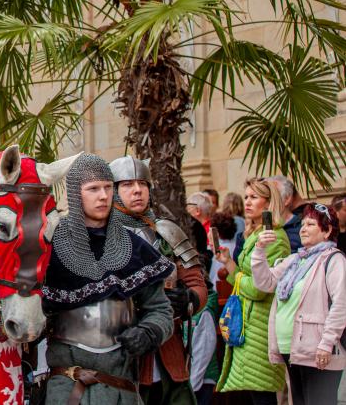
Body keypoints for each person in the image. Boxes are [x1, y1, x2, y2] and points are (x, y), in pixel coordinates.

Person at [43, 154, 174, 405]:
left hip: (118, 387)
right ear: (75, 193)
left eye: (107, 187)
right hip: (65, 388)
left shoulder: (134, 247)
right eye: (93, 189)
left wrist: (149, 332)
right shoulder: (53, 246)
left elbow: (160, 310)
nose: (103, 196)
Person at [108, 155, 207, 405]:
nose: (138, 190)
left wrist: (189, 298)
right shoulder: (100, 236)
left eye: (142, 183)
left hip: (167, 350)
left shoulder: (166, 231)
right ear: (114, 191)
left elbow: (196, 282)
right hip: (118, 352)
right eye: (128, 184)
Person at [251, 202, 346, 405]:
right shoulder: (295, 260)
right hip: (292, 349)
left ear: (327, 230)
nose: (303, 229)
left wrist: (327, 343)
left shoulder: (334, 260)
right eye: (302, 224)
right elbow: (265, 282)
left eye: (311, 224)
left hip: (319, 350)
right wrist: (259, 250)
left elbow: (341, 304)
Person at [215, 177, 291, 404]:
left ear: (268, 204)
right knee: (254, 394)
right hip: (248, 324)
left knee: (262, 394)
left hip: (261, 326)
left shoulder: (274, 237)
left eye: (254, 197)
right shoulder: (253, 234)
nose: (247, 202)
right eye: (246, 197)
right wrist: (228, 263)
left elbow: (260, 288)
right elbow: (247, 279)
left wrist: (237, 275)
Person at [189, 285, 220, 405]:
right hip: (190, 379)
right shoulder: (187, 308)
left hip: (201, 379)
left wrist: (193, 384)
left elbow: (204, 350)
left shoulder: (203, 312)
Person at [267, 175, 307, 252]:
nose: (265, 201)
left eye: (271, 196)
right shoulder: (255, 228)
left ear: (287, 199)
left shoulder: (303, 228)